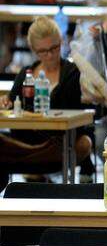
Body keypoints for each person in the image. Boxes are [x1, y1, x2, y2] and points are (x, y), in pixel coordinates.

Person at [0, 16, 93, 188]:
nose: (49, 55)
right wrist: (6, 102)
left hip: (59, 143)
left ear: (62, 42)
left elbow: (83, 115)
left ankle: (35, 170)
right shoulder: (25, 73)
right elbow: (12, 103)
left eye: (54, 48)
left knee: (83, 143)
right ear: (33, 50)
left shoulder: (74, 72)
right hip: (27, 143)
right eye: (43, 51)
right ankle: (34, 168)